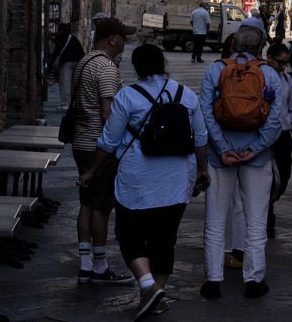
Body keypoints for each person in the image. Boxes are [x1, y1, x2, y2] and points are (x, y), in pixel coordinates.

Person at [82, 42, 210, 317]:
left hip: (137, 178)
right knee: (165, 239)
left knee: (129, 234)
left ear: (136, 68)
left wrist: (92, 170)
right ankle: (155, 295)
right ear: (164, 64)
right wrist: (202, 169)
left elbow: (109, 141)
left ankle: (148, 286)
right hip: (178, 178)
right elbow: (200, 137)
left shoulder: (127, 96)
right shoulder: (185, 94)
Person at [199, 24, 281, 299]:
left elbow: (206, 116)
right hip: (256, 158)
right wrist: (255, 149)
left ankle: (213, 280)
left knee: (215, 220)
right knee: (256, 220)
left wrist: (222, 148)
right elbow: (275, 121)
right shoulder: (269, 74)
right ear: (260, 48)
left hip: (219, 157)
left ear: (233, 45)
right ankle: (253, 279)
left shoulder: (214, 70)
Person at [71, 17, 136, 284]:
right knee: (101, 206)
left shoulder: (85, 62)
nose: (125, 42)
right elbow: (108, 114)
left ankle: (85, 264)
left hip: (81, 141)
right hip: (98, 146)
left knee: (86, 203)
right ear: (112, 39)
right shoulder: (106, 68)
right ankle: (99, 266)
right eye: (123, 37)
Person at [264, 42, 292, 237]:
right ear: (269, 59)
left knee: (283, 176)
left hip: (283, 135)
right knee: (267, 177)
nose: (283, 67)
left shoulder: (287, 79)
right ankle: (265, 214)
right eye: (280, 62)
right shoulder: (260, 77)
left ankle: (269, 204)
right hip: (264, 135)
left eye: (285, 63)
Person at [48, 21, 84, 107]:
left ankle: (65, 103)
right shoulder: (74, 39)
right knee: (74, 84)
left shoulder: (61, 38)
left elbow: (56, 52)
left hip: (66, 63)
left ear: (60, 30)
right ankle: (74, 103)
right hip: (78, 62)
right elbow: (82, 52)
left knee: (65, 83)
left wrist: (49, 67)